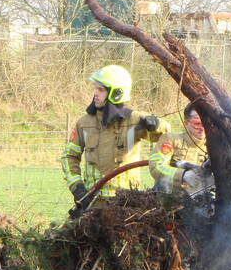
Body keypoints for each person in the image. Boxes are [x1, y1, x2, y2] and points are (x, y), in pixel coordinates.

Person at [61, 65, 169, 207]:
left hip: (126, 203)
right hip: (93, 201)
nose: (95, 93)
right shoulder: (84, 123)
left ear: (116, 93)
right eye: (95, 88)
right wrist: (77, 187)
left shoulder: (134, 120)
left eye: (101, 90)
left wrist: (156, 124)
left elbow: (165, 136)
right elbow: (69, 156)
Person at [148, 102, 210, 193]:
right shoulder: (171, 140)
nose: (202, 128)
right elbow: (156, 167)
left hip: (201, 202)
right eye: (197, 124)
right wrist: (183, 175)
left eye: (205, 123)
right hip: (167, 200)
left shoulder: (213, 147)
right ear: (186, 123)